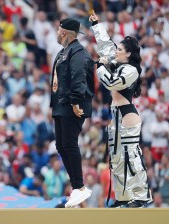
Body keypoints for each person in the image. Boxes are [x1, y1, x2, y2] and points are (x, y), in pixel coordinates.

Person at [89, 11, 152, 208]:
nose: (116, 51)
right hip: (116, 113)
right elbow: (106, 45)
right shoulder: (117, 62)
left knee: (131, 154)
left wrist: (100, 66)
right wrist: (96, 25)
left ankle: (141, 195)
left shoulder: (131, 70)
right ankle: (124, 196)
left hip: (127, 114)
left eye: (120, 49)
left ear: (128, 53)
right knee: (116, 157)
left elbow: (112, 83)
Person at [50, 18, 94, 208]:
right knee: (61, 145)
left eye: (58, 30)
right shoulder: (63, 52)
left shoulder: (78, 52)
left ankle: (79, 186)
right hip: (61, 104)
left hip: (71, 104)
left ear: (64, 32)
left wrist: (76, 101)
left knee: (68, 143)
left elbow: (78, 76)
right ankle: (76, 186)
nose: (57, 33)